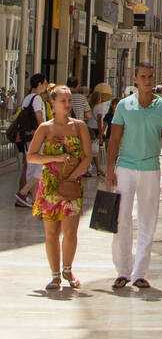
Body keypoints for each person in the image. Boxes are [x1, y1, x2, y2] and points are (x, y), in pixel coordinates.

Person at [105, 63, 162, 290]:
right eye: (143, 77)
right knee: (121, 218)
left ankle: (139, 272)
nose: (147, 81)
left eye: (150, 76)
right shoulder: (124, 106)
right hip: (125, 167)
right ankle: (122, 270)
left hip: (150, 167)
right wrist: (109, 167)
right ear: (135, 79)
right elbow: (114, 139)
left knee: (148, 219)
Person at [27, 84, 91, 290]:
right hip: (50, 185)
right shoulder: (45, 128)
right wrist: (55, 157)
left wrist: (72, 177)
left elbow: (87, 156)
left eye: (69, 100)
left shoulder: (79, 126)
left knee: (70, 232)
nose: (67, 104)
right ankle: (55, 274)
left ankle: (68, 269)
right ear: (52, 103)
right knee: (51, 233)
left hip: (72, 184)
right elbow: (32, 156)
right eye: (63, 100)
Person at [12, 73, 49, 208]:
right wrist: (47, 132)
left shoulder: (27, 98)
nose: (46, 86)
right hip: (37, 137)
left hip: (27, 137)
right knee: (40, 168)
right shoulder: (37, 99)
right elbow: (39, 118)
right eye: (45, 83)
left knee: (31, 169)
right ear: (39, 84)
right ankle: (23, 193)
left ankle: (34, 201)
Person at [89, 83, 112, 177]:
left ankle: (98, 169)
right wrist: (101, 132)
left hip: (91, 128)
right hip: (95, 129)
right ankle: (99, 169)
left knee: (94, 151)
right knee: (96, 151)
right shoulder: (101, 107)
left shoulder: (94, 106)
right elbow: (100, 120)